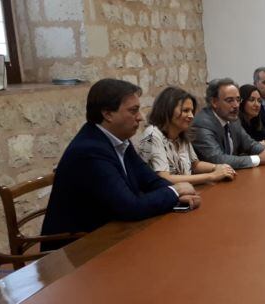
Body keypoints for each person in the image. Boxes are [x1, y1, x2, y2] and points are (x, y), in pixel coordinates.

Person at [41, 79, 200, 251]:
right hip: (75, 250)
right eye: (133, 111)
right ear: (108, 114)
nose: (140, 117)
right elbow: (130, 207)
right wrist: (175, 191)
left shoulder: (118, 139)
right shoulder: (89, 150)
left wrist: (177, 194)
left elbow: (149, 179)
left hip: (109, 232)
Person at [138, 86, 236, 185]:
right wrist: (212, 176)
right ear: (168, 110)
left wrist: (218, 167)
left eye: (191, 111)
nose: (191, 116)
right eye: (185, 111)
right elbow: (165, 178)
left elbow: (195, 165)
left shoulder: (181, 133)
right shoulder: (152, 134)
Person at [191, 78, 265, 169]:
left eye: (238, 100)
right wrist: (258, 159)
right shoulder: (202, 124)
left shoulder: (233, 119)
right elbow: (217, 159)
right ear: (214, 102)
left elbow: (249, 144)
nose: (236, 105)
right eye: (230, 100)